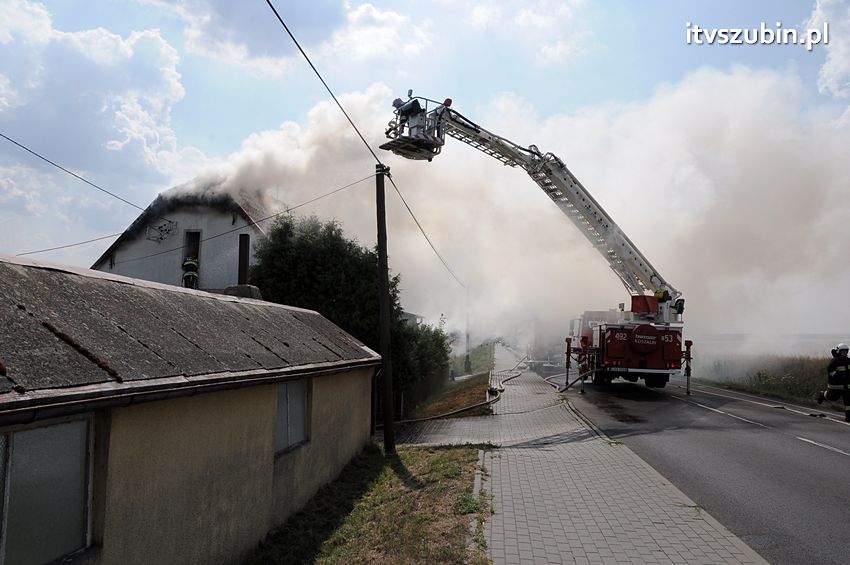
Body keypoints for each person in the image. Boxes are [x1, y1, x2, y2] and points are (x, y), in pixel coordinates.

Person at [817, 343, 850, 422]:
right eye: (843, 352)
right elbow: (830, 372)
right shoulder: (834, 361)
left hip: (846, 386)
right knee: (833, 398)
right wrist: (840, 376)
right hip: (835, 385)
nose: (844, 353)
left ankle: (848, 417)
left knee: (848, 401)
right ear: (838, 351)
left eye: (846, 352)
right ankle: (823, 394)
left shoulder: (848, 361)